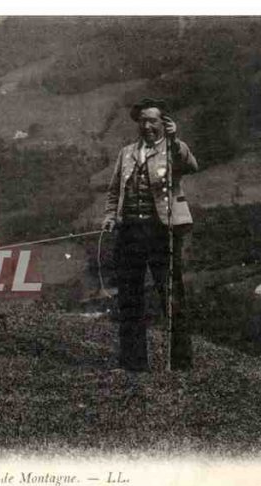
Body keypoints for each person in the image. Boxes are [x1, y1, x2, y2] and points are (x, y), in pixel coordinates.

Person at [102, 98, 199, 372]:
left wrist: (174, 138)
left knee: (171, 295)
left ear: (163, 123)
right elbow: (113, 191)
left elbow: (190, 165)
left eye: (153, 121)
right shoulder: (127, 153)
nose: (147, 126)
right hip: (130, 232)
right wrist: (111, 216)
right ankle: (133, 363)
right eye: (143, 121)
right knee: (130, 296)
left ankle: (181, 364)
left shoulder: (173, 149)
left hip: (162, 232)